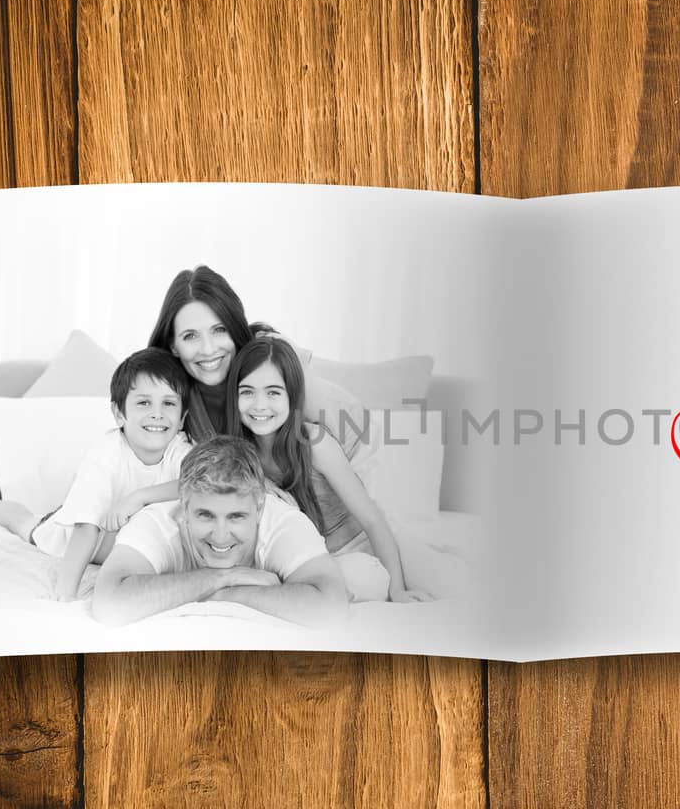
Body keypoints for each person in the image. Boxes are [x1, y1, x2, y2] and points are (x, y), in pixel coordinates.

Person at [0, 348, 193, 601]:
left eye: (168, 403)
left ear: (182, 418)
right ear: (119, 414)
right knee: (27, 525)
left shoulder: (181, 450)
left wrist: (140, 497)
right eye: (144, 403)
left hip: (123, 542)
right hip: (77, 534)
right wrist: (64, 596)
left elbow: (199, 484)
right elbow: (85, 528)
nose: (157, 413)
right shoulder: (108, 452)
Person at [228, 335, 432, 604]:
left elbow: (372, 521)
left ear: (293, 397)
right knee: (361, 578)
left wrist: (399, 590)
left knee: (450, 579)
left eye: (273, 392)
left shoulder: (315, 443)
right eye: (247, 392)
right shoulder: (240, 456)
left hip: (371, 542)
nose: (260, 405)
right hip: (322, 562)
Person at [91, 435, 348, 627]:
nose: (221, 535)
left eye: (236, 516)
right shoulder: (157, 522)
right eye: (205, 515)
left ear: (259, 508)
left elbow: (331, 608)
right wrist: (225, 576)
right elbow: (109, 605)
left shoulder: (283, 523)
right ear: (184, 506)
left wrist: (222, 595)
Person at [147, 265, 363, 445]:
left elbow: (353, 432)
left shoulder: (271, 358)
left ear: (235, 326)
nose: (208, 349)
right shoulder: (165, 391)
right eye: (190, 336)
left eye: (220, 330)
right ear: (173, 345)